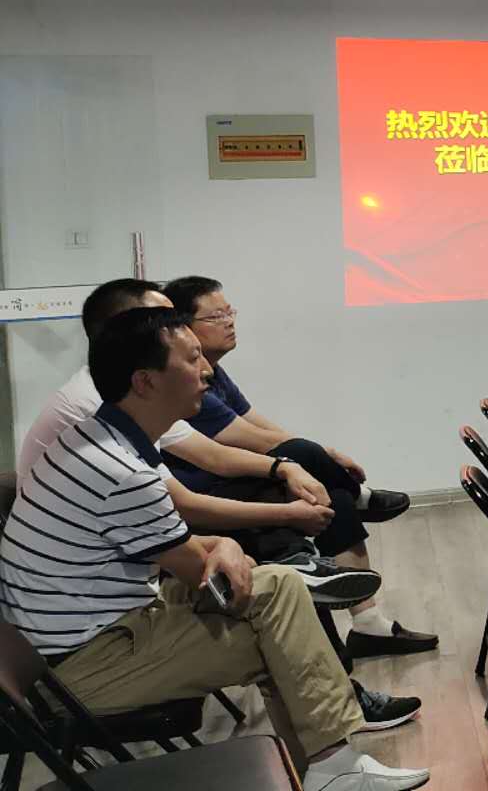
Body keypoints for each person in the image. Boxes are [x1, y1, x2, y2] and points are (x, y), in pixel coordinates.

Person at [0, 307, 429, 791]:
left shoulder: (94, 438)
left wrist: (224, 544)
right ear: (145, 381)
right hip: (83, 670)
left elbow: (187, 549)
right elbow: (203, 573)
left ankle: (328, 767)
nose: (207, 371)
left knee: (279, 595)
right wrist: (224, 550)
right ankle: (334, 766)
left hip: (81, 643)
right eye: (192, 359)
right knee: (278, 625)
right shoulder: (122, 473)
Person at [160, 275, 436, 659]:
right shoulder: (182, 383)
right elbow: (239, 444)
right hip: (212, 496)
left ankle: (367, 624)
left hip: (233, 482)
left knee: (327, 491)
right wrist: (304, 461)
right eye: (216, 316)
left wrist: (318, 457)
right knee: (306, 482)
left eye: (229, 311)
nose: (230, 321)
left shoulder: (212, 371)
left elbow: (259, 425)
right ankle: (343, 648)